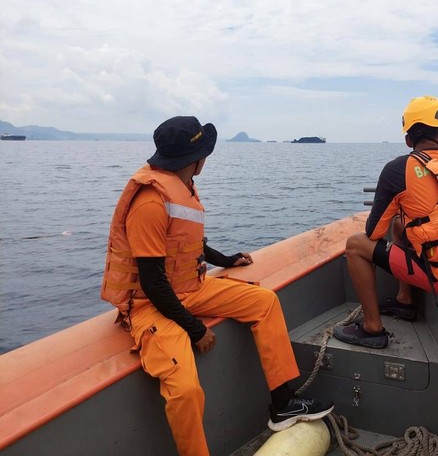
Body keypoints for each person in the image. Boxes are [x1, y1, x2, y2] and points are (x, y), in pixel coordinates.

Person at [100, 116, 333, 455]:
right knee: (185, 390)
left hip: (192, 288)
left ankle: (283, 404)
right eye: (205, 151)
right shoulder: (150, 202)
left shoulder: (181, 185)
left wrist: (226, 260)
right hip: (153, 304)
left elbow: (187, 245)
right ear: (194, 159)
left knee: (265, 302)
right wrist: (195, 330)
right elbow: (151, 282)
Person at [333, 96, 438, 349]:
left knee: (355, 245)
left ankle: (372, 329)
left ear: (408, 140)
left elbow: (373, 232)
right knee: (400, 224)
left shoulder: (398, 169)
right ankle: (404, 300)